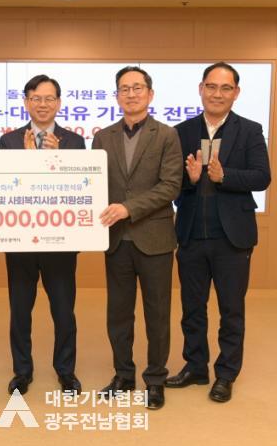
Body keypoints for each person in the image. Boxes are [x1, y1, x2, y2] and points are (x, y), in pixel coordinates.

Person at [165, 62, 271, 403]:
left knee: (231, 310)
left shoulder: (250, 130)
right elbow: (169, 183)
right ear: (201, 89)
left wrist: (226, 177)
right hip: (191, 235)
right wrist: (191, 180)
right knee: (192, 309)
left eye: (226, 88)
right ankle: (196, 367)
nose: (217, 94)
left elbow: (262, 177)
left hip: (232, 238)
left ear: (236, 93)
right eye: (211, 86)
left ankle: (226, 374)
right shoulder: (181, 132)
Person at [92, 66, 182, 410]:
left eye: (137, 88)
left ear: (150, 94)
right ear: (116, 96)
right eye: (124, 89)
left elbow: (170, 186)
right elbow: (92, 185)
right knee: (118, 314)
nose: (131, 94)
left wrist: (128, 208)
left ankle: (155, 379)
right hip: (116, 240)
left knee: (157, 314)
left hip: (155, 239)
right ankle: (123, 375)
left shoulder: (167, 135)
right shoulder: (103, 137)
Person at [0, 75, 86, 395]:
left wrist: (56, 161)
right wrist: (26, 162)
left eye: (49, 98)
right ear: (26, 102)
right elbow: (4, 190)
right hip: (20, 242)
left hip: (60, 243)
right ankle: (22, 372)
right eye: (36, 98)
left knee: (63, 312)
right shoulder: (8, 142)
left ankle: (66, 371)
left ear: (59, 103)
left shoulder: (74, 142)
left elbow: (79, 190)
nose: (43, 104)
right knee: (20, 312)